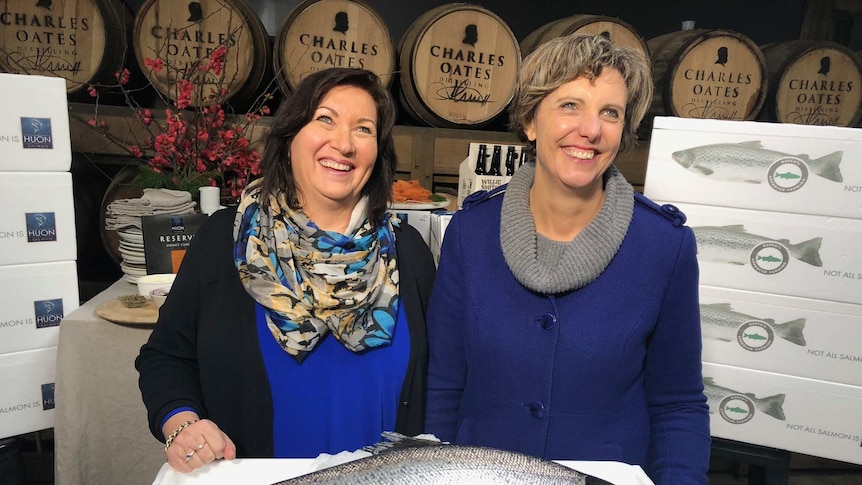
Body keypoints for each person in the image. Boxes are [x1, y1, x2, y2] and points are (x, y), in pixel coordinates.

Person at [425, 33, 710, 484]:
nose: (591, 129)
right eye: (570, 105)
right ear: (531, 121)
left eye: (610, 113)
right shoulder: (470, 234)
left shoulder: (663, 247)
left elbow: (678, 404)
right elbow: (443, 385)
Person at [136, 67, 436, 472]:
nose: (344, 143)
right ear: (291, 135)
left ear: (378, 153)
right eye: (325, 119)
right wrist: (182, 424)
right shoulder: (227, 240)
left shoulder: (408, 251)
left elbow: (441, 378)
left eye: (364, 129)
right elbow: (166, 357)